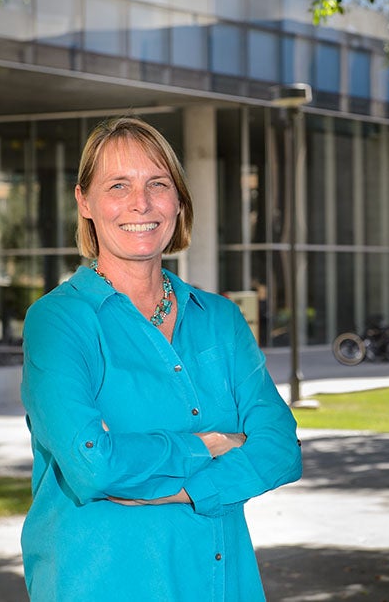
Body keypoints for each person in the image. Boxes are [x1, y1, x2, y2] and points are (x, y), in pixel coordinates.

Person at [20, 117, 302, 601]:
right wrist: (208, 445)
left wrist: (186, 492)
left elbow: (280, 448)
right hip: (103, 584)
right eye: (118, 186)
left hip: (221, 585)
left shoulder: (219, 319)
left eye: (158, 184)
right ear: (84, 202)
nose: (141, 204)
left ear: (178, 201)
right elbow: (95, 466)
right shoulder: (57, 323)